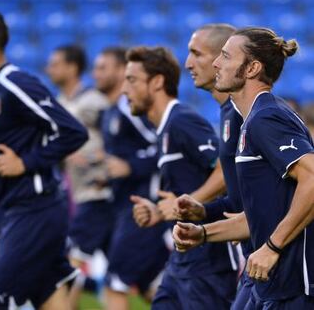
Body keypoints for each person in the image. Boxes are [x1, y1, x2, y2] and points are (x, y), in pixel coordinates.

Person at [0, 10, 88, 310]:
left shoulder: (17, 83)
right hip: (13, 208)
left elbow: (74, 132)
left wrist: (26, 163)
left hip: (38, 208)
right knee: (47, 298)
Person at [174, 27, 314, 308]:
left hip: (293, 286)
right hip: (271, 283)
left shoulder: (267, 117)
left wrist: (272, 247)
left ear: (252, 68)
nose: (216, 63)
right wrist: (203, 233)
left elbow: (313, 179)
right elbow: (262, 214)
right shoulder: (254, 119)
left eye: (225, 56)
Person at [123, 46, 238, 310]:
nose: (124, 90)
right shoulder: (165, 129)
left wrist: (185, 204)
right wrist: (159, 211)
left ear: (157, 82)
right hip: (182, 259)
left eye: (131, 80)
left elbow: (225, 170)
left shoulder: (182, 121)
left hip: (210, 261)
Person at [169, 23, 255, 309]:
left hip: (277, 256)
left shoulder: (252, 114)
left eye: (196, 53)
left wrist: (273, 244)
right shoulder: (228, 113)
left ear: (222, 57)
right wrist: (203, 210)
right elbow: (240, 197)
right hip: (255, 253)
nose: (187, 63)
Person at [94, 47, 169, 310]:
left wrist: (130, 166)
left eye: (102, 68)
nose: (95, 75)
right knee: (154, 288)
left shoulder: (129, 109)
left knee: (115, 284)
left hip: (144, 206)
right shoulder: (109, 112)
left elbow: (163, 145)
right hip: (126, 207)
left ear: (120, 71)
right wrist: (110, 176)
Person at [46, 44, 111, 308]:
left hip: (101, 192)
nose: (50, 69)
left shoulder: (94, 101)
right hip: (83, 194)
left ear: (72, 67)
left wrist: (97, 160)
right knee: (128, 275)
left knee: (71, 257)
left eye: (56, 63)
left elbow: (118, 140)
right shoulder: (58, 104)